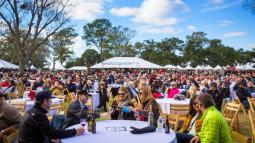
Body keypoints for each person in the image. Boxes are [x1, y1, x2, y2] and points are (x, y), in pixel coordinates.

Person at [19, 90, 85, 143]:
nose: (51, 102)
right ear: (45, 101)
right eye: (50, 100)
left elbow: (44, 132)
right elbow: (53, 133)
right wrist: (75, 131)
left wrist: (49, 140)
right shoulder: (38, 115)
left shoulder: (34, 111)